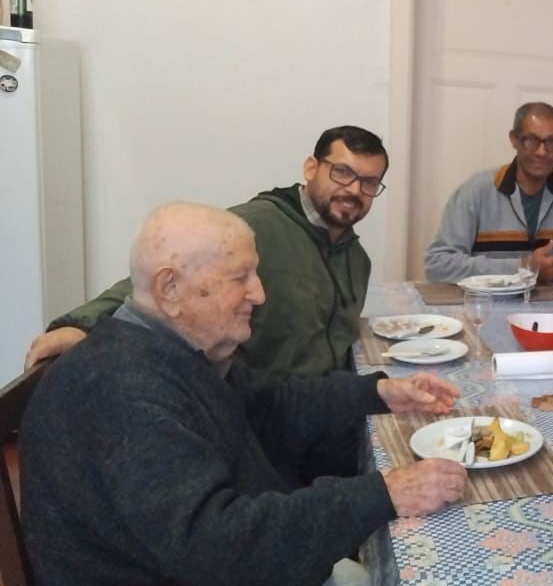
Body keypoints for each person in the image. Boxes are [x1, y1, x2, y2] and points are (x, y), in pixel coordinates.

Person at [20, 202, 468, 586]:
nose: (259, 293)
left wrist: (378, 392)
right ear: (169, 289)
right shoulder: (124, 391)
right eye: (241, 278)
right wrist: (383, 494)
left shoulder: (168, 353)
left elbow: (270, 403)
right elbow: (217, 546)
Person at [25, 125, 389, 378]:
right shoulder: (258, 225)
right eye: (342, 173)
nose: (353, 190)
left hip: (317, 414)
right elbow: (161, 276)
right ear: (311, 168)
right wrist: (80, 324)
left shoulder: (356, 260)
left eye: (369, 181)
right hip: (258, 420)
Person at [424, 101, 553, 283]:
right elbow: (438, 264)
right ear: (514, 140)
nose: (541, 152)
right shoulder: (476, 190)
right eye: (531, 141)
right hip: (488, 301)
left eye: (551, 142)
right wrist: (522, 268)